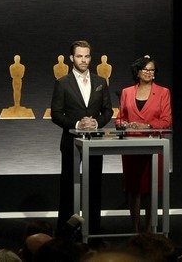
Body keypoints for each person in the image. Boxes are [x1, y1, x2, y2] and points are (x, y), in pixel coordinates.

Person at [51, 40, 113, 233]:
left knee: (94, 187)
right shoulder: (62, 83)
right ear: (72, 58)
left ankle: (93, 229)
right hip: (71, 141)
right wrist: (78, 125)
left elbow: (108, 111)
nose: (83, 60)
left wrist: (96, 123)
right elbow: (56, 114)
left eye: (86, 56)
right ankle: (66, 231)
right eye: (79, 56)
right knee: (69, 187)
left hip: (95, 141)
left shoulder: (100, 82)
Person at [115, 56, 173, 233]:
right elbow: (120, 118)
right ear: (137, 72)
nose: (148, 72)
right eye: (145, 69)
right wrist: (123, 124)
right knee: (134, 189)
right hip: (131, 146)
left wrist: (147, 125)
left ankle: (150, 230)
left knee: (150, 189)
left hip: (153, 146)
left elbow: (166, 120)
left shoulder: (163, 92)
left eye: (152, 70)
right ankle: (135, 229)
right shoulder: (127, 92)